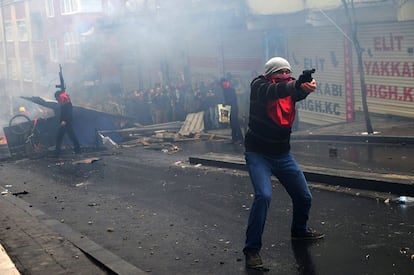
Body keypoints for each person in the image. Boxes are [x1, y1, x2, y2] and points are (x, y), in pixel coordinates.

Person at [243, 57, 324, 270]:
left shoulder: (289, 88)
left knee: (304, 196)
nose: (285, 75)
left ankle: (299, 230)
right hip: (258, 154)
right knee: (263, 196)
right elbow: (276, 91)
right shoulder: (259, 86)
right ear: (270, 73)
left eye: (288, 72)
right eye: (280, 72)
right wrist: (296, 84)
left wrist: (306, 85)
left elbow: (296, 92)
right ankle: (252, 250)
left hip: (282, 155)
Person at [54, 90, 81, 157]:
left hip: (67, 123)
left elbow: (69, 114)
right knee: (71, 137)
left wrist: (64, 121)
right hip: (65, 123)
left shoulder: (67, 103)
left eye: (57, 98)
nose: (57, 100)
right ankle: (78, 151)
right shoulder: (64, 102)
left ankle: (57, 153)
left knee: (60, 137)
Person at [220, 78, 243, 143]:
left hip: (234, 108)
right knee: (232, 124)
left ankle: (240, 138)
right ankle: (234, 138)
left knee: (235, 123)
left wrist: (226, 102)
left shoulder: (231, 89)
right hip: (229, 108)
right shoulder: (224, 90)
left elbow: (232, 99)